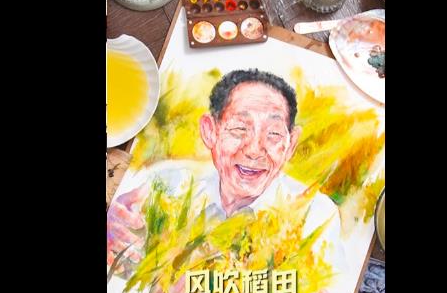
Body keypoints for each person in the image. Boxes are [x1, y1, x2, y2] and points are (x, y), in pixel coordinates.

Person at [107, 69, 345, 278]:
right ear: (209, 131)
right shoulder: (166, 185)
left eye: (273, 134)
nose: (253, 150)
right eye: (239, 128)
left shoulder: (315, 216)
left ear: (291, 144)